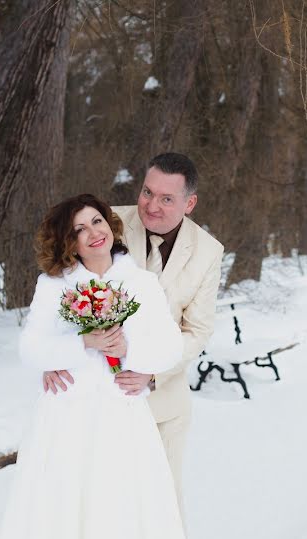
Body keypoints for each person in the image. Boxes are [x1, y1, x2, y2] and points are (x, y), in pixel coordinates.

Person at [0, 194, 196, 539]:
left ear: (110, 226)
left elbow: (169, 345)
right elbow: (31, 348)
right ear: (69, 241)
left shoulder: (142, 284)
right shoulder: (55, 284)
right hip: (67, 417)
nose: (92, 233)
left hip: (121, 413)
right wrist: (83, 342)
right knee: (62, 512)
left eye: (97, 221)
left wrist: (130, 353)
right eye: (79, 229)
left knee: (119, 510)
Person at [45, 153, 224, 516]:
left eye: (166, 199)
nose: (151, 205)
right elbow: (59, 295)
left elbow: (198, 330)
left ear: (189, 203)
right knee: (98, 508)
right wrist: (53, 355)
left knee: (160, 510)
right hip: (95, 403)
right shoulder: (104, 224)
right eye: (147, 192)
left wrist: (151, 370)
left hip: (162, 408)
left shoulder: (207, 252)